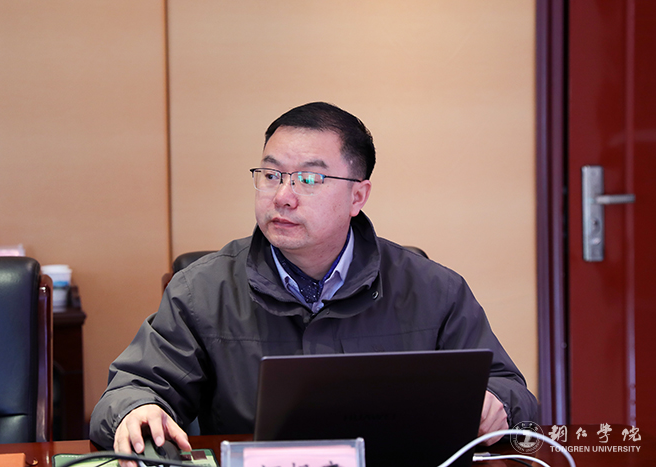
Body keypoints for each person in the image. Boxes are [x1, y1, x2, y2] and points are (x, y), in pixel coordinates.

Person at [90, 102, 537, 458]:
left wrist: (495, 402)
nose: (283, 196)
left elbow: (513, 392)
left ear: (357, 195)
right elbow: (130, 390)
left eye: (309, 178)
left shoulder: (433, 290)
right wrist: (135, 409)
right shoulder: (203, 290)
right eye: (271, 176)